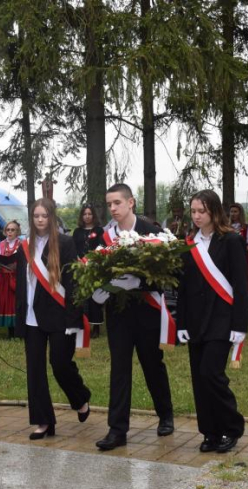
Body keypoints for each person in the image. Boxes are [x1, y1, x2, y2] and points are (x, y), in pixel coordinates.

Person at [93, 184, 174, 451]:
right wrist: (102, 290)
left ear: (131, 203)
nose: (113, 209)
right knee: (119, 369)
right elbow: (94, 270)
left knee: (152, 364)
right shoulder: (103, 236)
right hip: (118, 312)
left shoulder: (151, 231)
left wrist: (138, 282)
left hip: (147, 310)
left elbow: (165, 273)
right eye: (109, 204)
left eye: (117, 203)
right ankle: (117, 430)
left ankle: (165, 414)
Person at [176, 189, 248, 454]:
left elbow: (241, 285)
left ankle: (232, 427)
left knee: (211, 374)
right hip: (195, 321)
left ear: (214, 211)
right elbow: (182, 287)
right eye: (193, 211)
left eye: (201, 211)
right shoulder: (189, 243)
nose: (196, 216)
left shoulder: (230, 241)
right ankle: (210, 432)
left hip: (222, 320)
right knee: (198, 377)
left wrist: (240, 325)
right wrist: (181, 323)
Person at [15, 198, 91, 440]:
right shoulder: (24, 246)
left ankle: (80, 398)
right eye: (36, 215)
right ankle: (43, 421)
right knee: (35, 371)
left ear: (51, 217)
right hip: (32, 317)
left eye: (44, 216)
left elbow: (72, 282)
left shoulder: (66, 243)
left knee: (60, 364)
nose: (40, 220)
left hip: (59, 314)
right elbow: (21, 284)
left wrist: (73, 318)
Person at [72, 204, 105, 338]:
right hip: (80, 267)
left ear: (93, 215)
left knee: (95, 297)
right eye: (85, 214)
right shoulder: (77, 231)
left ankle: (96, 327)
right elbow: (73, 247)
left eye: (89, 214)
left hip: (94, 267)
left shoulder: (99, 231)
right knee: (82, 296)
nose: (87, 216)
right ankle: (82, 324)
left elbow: (102, 247)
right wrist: (80, 260)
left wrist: (91, 260)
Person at [0, 220, 20, 338]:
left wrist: (17, 265)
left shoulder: (22, 244)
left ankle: (17, 329)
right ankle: (9, 329)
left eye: (12, 230)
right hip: (3, 278)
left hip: (16, 277)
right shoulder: (1, 244)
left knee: (15, 303)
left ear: (17, 231)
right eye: (8, 230)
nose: (10, 232)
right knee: (5, 303)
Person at [229, 203, 248, 304]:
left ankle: (244, 303)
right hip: (228, 259)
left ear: (240, 213)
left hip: (243, 258)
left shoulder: (247, 227)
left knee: (243, 280)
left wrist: (240, 252)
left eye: (235, 211)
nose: (233, 214)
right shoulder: (226, 227)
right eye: (231, 211)